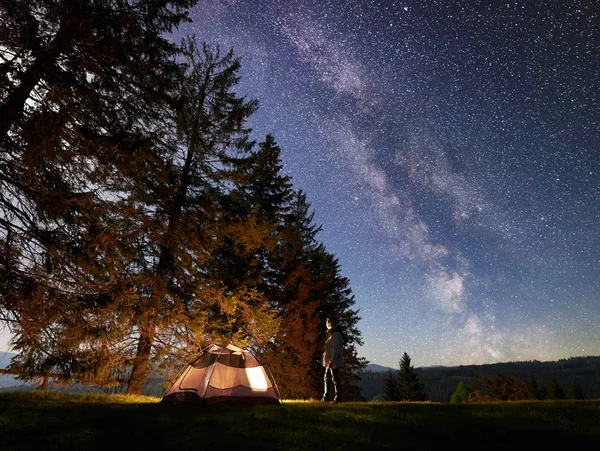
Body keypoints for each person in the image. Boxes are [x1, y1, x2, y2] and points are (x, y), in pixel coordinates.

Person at [322, 316, 344, 402]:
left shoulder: (335, 334)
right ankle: (326, 396)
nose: (326, 324)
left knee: (334, 378)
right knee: (327, 378)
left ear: (331, 323)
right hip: (329, 361)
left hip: (332, 361)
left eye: (328, 323)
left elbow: (336, 349)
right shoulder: (331, 333)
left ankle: (337, 397)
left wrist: (333, 361)